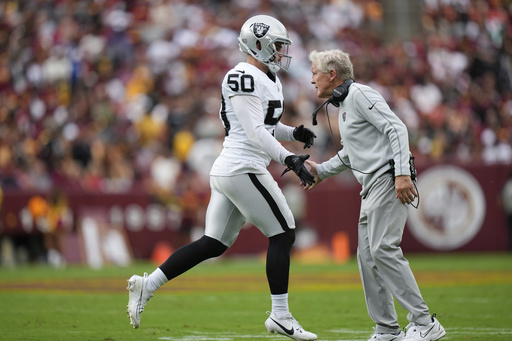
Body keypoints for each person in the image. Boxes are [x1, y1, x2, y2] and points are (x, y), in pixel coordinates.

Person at [126, 15, 317, 341]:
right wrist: (289, 158)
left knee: (213, 243)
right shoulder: (240, 76)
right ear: (257, 44)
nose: (282, 52)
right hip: (242, 167)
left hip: (233, 168)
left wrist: (292, 132)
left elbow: (265, 125)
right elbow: (255, 132)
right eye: (277, 46)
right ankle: (280, 315)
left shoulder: (269, 77)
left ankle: (148, 284)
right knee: (283, 232)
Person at [304, 49, 446, 341]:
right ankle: (387, 329)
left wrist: (402, 173)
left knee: (382, 249)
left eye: (315, 72)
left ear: (332, 74)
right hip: (371, 186)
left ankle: (425, 322)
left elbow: (397, 127)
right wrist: (321, 170)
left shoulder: (360, 94)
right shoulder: (345, 105)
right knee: (368, 257)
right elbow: (350, 155)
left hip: (387, 177)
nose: (311, 79)